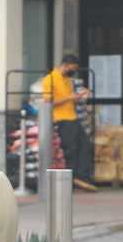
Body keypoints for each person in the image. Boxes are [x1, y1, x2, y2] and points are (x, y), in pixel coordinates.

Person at [42, 55, 98, 192]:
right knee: (70, 150)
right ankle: (70, 180)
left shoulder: (68, 80)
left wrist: (79, 96)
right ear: (66, 65)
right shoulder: (49, 79)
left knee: (85, 145)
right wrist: (69, 97)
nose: (74, 71)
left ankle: (82, 177)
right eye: (73, 68)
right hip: (61, 119)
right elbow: (48, 102)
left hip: (73, 117)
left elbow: (70, 99)